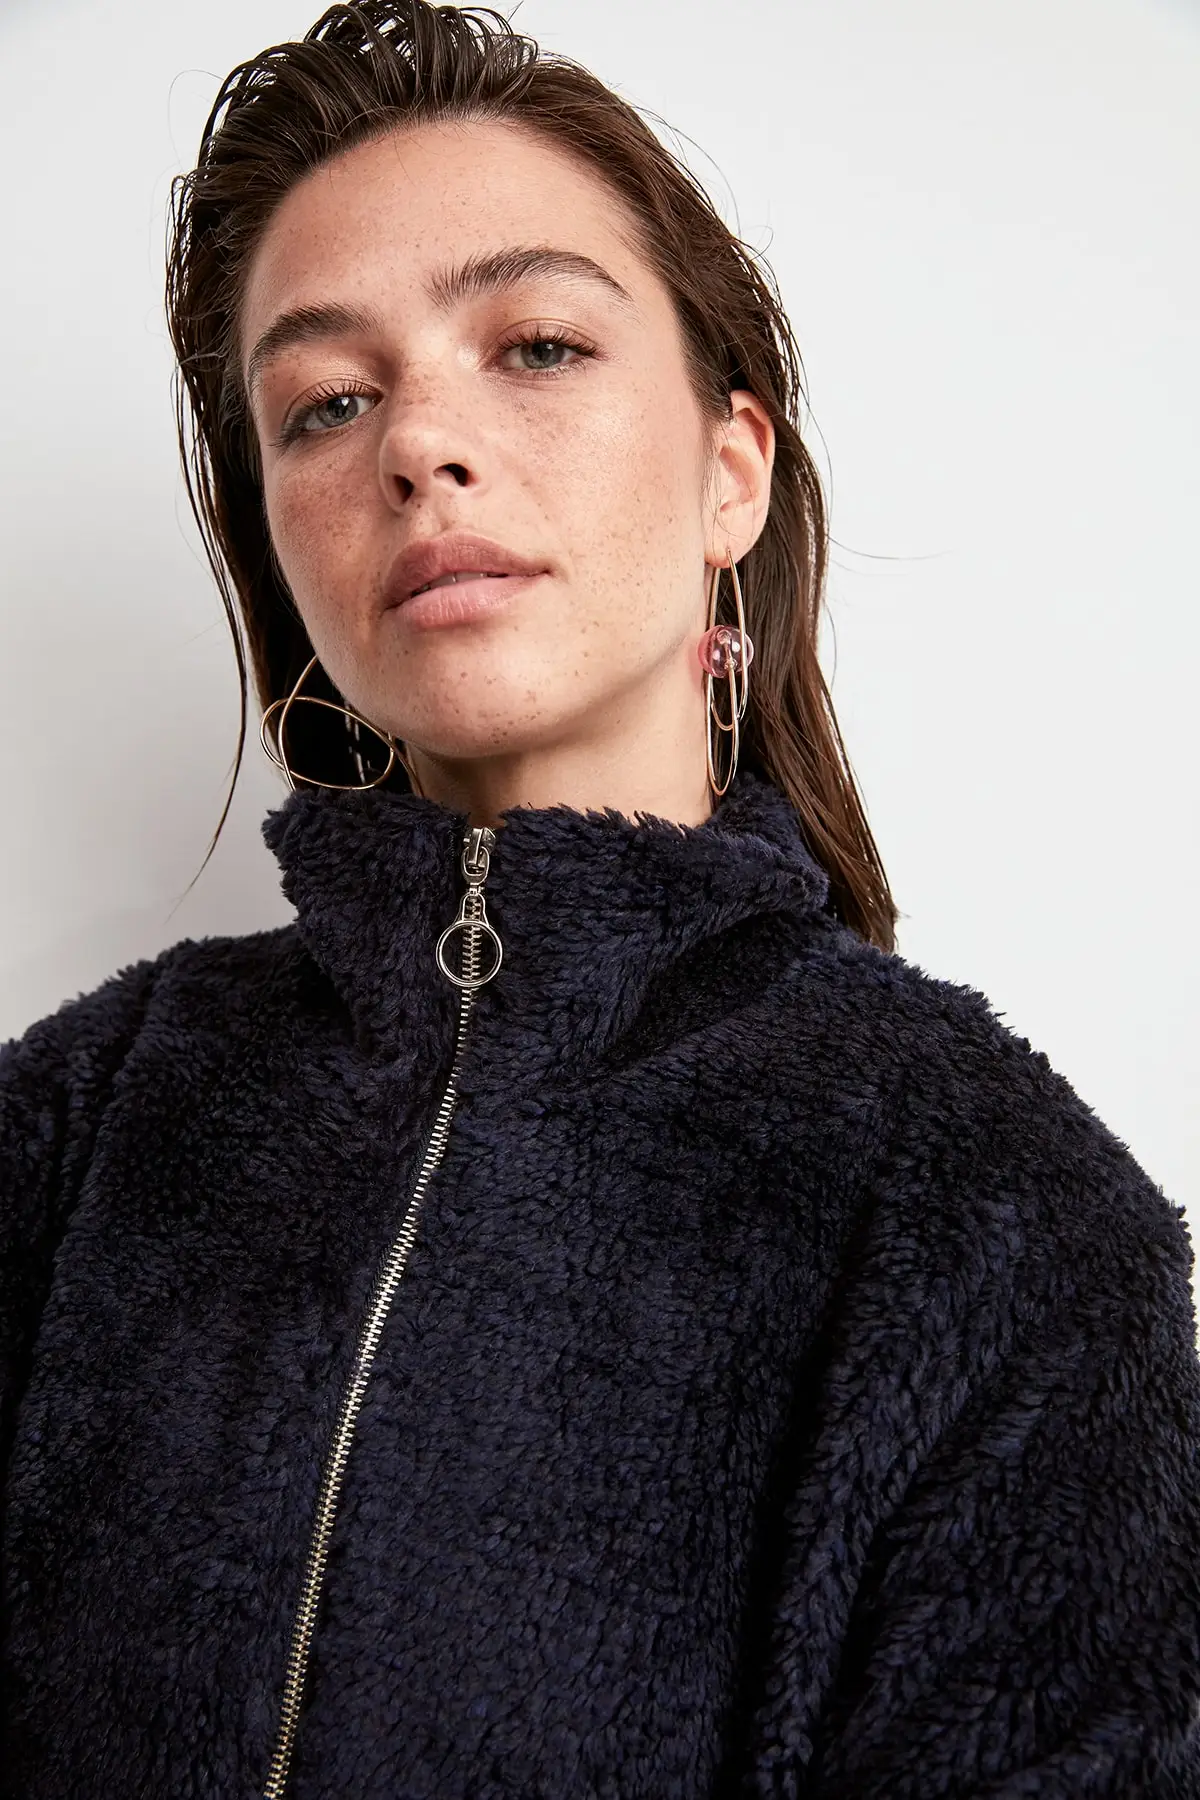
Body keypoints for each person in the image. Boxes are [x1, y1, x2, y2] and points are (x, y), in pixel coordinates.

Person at [2, 1, 1198, 1794]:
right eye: (326, 402)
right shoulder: (89, 1117)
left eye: (539, 345)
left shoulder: (995, 1209)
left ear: (732, 471)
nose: (420, 442)